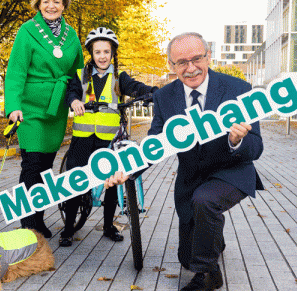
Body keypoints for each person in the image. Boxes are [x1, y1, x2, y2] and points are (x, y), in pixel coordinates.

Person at [104, 33, 264, 291]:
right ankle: (213, 237)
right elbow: (154, 144)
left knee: (206, 201)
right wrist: (127, 170)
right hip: (192, 178)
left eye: (197, 59)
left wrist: (237, 140)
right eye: (181, 62)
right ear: (171, 66)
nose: (191, 68)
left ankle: (208, 275)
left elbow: (256, 148)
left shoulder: (238, 89)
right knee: (185, 257)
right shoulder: (165, 97)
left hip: (232, 171)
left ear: (208, 56)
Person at [58, 27, 158, 247]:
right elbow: (72, 92)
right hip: (82, 139)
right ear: (91, 54)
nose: (102, 56)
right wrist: (74, 101)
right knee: (75, 183)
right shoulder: (80, 76)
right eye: (97, 52)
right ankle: (68, 229)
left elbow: (135, 87)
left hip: (108, 140)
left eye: (106, 51)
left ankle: (107, 226)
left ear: (112, 53)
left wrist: (152, 92)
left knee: (112, 183)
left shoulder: (119, 77)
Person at [4, 0, 84, 238]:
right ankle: (28, 224)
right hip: (30, 109)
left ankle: (37, 217)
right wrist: (13, 107)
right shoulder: (27, 31)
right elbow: (15, 72)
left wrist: (83, 97)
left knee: (46, 167)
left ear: (64, 6)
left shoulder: (71, 35)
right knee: (32, 164)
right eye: (46, 1)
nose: (51, 6)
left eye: (56, 2)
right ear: (38, 3)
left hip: (56, 109)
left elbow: (78, 73)